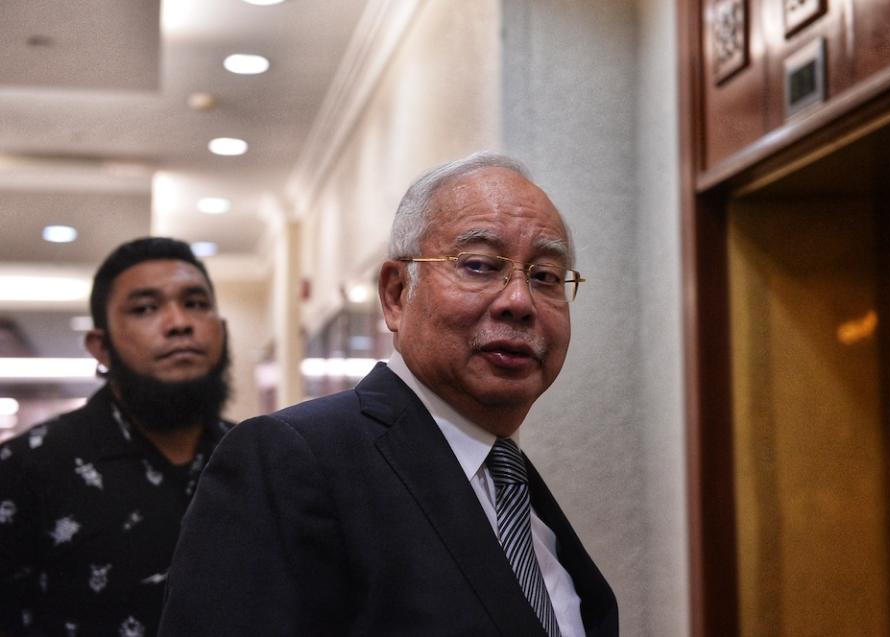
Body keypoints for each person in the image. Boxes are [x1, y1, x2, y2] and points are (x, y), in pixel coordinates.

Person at [159, 152, 618, 636]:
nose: (519, 301)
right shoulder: (290, 460)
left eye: (545, 276)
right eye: (480, 266)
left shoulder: (511, 482)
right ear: (397, 294)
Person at [0, 237, 232, 637]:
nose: (179, 323)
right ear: (101, 347)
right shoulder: (27, 468)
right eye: (145, 308)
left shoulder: (253, 457)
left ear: (221, 330)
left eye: (195, 303)